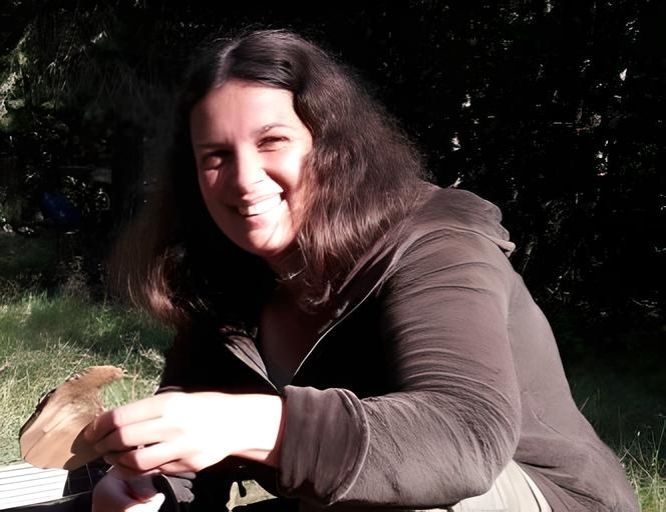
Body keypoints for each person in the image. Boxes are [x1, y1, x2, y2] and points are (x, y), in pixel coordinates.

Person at [86, 29, 638, 512]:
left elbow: (463, 437)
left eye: (272, 141)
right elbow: (188, 447)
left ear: (331, 147)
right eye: (216, 156)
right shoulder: (226, 282)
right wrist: (147, 490)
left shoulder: (435, 243)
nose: (244, 178)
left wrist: (249, 424)